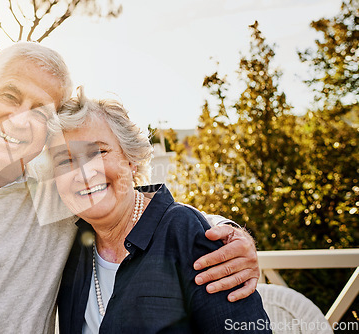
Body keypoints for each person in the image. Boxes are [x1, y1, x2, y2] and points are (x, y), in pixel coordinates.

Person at [0, 42, 257, 333]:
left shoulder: (57, 195)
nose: (19, 120)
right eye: (9, 96)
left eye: (40, 111)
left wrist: (232, 236)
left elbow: (134, 206)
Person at [51, 88, 270, 333]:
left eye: (99, 152)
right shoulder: (68, 244)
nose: (84, 173)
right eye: (65, 161)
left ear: (130, 160)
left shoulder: (185, 234)